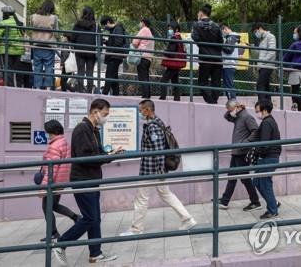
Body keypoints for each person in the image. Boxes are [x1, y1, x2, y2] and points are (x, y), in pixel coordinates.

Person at [53, 99, 120, 265]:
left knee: (95, 218)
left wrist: (111, 154)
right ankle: (61, 244)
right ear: (95, 111)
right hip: (83, 180)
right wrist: (107, 157)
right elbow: (85, 158)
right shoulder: (82, 130)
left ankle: (95, 253)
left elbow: (97, 154)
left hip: (92, 179)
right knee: (90, 218)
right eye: (105, 114)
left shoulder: (94, 130)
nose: (106, 118)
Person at [120, 100, 197, 236]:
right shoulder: (158, 122)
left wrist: (161, 171)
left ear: (148, 110)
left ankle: (136, 229)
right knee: (166, 194)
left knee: (141, 198)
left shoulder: (153, 127)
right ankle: (188, 219)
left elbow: (159, 151)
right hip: (155, 169)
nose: (140, 113)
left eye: (141, 110)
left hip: (151, 170)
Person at [39, 120, 80, 241]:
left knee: (47, 207)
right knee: (54, 205)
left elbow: (52, 168)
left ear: (52, 132)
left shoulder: (54, 146)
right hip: (62, 180)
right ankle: (76, 218)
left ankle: (53, 232)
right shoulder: (64, 142)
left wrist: (44, 187)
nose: (47, 135)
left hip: (54, 182)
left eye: (48, 132)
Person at [218, 100, 261, 210]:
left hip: (242, 152)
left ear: (237, 107)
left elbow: (256, 131)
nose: (230, 112)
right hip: (236, 152)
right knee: (232, 177)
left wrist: (245, 143)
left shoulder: (247, 117)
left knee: (244, 178)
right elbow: (226, 117)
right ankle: (224, 201)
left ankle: (255, 201)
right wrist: (231, 111)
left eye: (231, 110)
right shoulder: (238, 117)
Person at [246, 100, 282, 219]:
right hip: (269, 157)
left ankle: (272, 210)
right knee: (257, 181)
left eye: (258, 111)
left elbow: (264, 144)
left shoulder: (267, 123)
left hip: (268, 157)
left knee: (265, 183)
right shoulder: (269, 121)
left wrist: (257, 152)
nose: (257, 114)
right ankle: (273, 204)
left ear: (265, 110)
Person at [191, 3, 224, 104]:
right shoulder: (216, 26)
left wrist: (202, 42)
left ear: (201, 13)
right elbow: (221, 41)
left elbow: (195, 38)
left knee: (202, 82)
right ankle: (214, 101)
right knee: (216, 82)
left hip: (205, 58)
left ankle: (210, 101)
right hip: (217, 58)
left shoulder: (196, 25)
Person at [282, 25, 301, 111]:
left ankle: (299, 109)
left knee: (295, 91)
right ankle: (295, 106)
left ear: (299, 33)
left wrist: (283, 64)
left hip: (295, 69)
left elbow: (287, 56)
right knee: (296, 89)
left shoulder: (295, 45)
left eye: (295, 32)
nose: (294, 34)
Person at [31, 0, 58, 90]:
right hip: (49, 45)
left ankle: (37, 87)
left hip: (37, 44)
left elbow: (31, 29)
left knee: (37, 67)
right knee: (49, 67)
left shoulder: (34, 17)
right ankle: (48, 88)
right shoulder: (54, 18)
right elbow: (56, 32)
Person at [0, 6, 25, 87]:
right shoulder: (20, 23)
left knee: (7, 71)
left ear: (5, 14)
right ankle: (17, 88)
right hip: (18, 51)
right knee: (16, 71)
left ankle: (9, 89)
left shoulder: (4, 23)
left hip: (6, 50)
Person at [71, 6, 98, 93]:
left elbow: (73, 37)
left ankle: (80, 90)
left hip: (79, 50)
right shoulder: (96, 26)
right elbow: (99, 39)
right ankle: (89, 92)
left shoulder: (77, 24)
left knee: (80, 72)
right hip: (91, 51)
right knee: (90, 73)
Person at [100, 15, 126, 96]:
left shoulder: (118, 28)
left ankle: (104, 95)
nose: (105, 27)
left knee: (109, 76)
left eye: (105, 25)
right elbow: (115, 42)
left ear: (108, 22)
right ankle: (116, 95)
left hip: (114, 56)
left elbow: (118, 42)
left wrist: (110, 47)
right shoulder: (114, 30)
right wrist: (106, 42)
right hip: (114, 56)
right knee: (114, 77)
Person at [160, 21, 186, 101]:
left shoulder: (174, 38)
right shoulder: (180, 38)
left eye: (171, 28)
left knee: (163, 80)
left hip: (173, 63)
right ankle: (177, 98)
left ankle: (162, 98)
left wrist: (163, 51)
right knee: (175, 81)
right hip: (178, 63)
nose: (169, 30)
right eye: (169, 28)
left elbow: (171, 52)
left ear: (176, 29)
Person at [252, 23, 276, 102]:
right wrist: (252, 47)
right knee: (265, 86)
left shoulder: (270, 36)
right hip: (262, 66)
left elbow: (272, 52)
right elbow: (260, 53)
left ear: (260, 28)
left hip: (267, 65)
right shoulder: (262, 39)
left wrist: (263, 61)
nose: (256, 34)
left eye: (256, 31)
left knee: (260, 84)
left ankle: (262, 104)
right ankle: (268, 105)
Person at [132, 18, 155, 98]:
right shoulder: (150, 32)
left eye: (140, 22)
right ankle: (147, 95)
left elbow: (134, 42)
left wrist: (137, 46)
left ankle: (145, 96)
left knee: (142, 77)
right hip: (149, 58)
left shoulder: (144, 30)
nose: (139, 24)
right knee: (146, 77)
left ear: (143, 23)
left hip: (142, 56)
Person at [221, 23, 240, 100]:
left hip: (229, 64)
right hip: (228, 64)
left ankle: (232, 102)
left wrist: (220, 44)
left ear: (225, 29)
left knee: (229, 85)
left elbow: (228, 50)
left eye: (222, 31)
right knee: (228, 85)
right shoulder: (232, 37)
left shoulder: (232, 37)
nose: (222, 33)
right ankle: (232, 101)